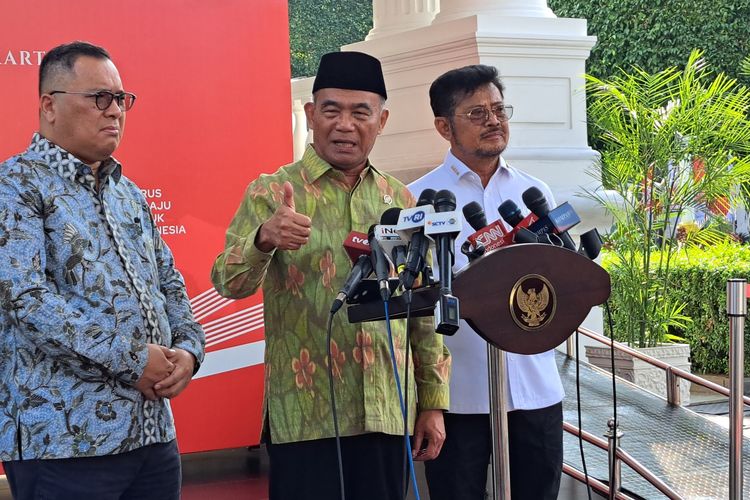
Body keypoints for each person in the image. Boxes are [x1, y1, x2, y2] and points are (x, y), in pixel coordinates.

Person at [211, 51, 451, 500]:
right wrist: (263, 238)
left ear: (381, 121)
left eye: (360, 112)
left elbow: (422, 307)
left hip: (387, 409)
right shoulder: (272, 191)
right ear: (310, 114)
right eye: (331, 110)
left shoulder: (400, 199)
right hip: (305, 415)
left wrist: (433, 402)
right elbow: (229, 282)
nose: (345, 124)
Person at [0, 41, 205, 500]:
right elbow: (27, 302)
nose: (114, 111)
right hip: (63, 441)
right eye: (99, 98)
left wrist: (189, 352)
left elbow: (169, 281)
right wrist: (136, 359)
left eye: (121, 99)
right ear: (49, 106)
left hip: (153, 435)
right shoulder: (14, 186)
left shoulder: (128, 193)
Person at [409, 64, 564, 500]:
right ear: (444, 127)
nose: (494, 121)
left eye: (499, 109)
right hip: (460, 397)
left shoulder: (534, 192)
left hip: (535, 389)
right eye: (477, 114)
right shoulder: (420, 199)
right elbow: (418, 301)